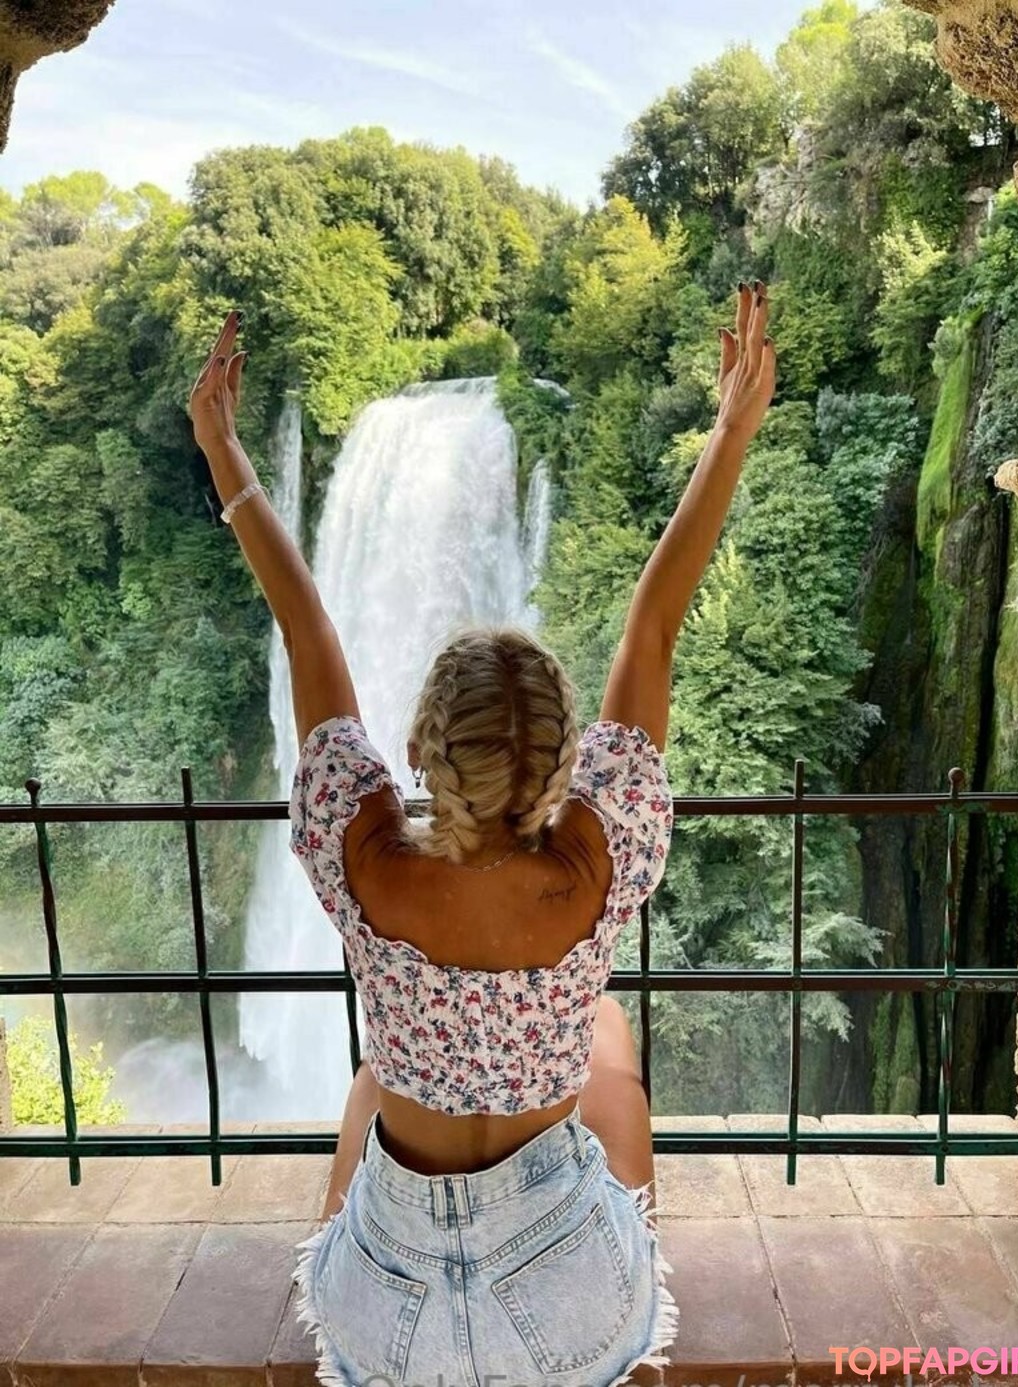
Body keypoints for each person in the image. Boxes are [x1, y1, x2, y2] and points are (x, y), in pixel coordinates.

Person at [188, 280, 775, 1387]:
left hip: (386, 1311)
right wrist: (733, 428)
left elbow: (307, 626)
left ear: (420, 750)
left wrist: (226, 454)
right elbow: (654, 623)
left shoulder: (360, 855)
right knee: (607, 1037)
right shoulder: (599, 862)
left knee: (377, 1074)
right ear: (565, 764)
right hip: (565, 1303)